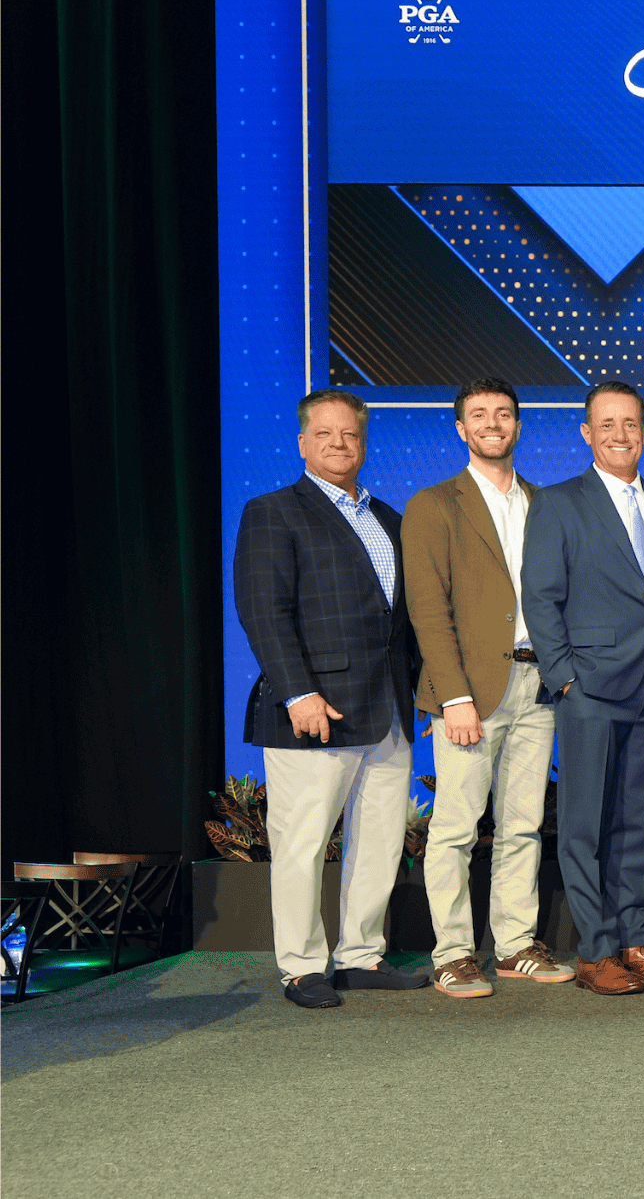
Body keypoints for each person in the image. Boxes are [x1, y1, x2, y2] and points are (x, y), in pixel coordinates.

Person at [232, 389, 427, 1008]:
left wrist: (421, 692)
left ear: (363, 443)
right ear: (302, 442)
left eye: (350, 435)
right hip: (315, 711)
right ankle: (300, 967)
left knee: (380, 839)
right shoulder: (272, 511)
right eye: (325, 434)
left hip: (387, 709)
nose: (339, 444)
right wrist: (299, 693)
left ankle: (361, 955)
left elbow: (404, 620)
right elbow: (263, 611)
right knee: (302, 843)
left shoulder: (388, 518)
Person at [403, 378, 575, 998]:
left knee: (523, 825)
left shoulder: (545, 502)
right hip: (470, 693)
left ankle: (515, 945)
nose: (492, 423)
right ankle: (452, 953)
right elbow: (428, 610)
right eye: (479, 414)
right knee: (455, 829)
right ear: (460, 428)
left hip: (538, 684)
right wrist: (453, 698)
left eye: (503, 414)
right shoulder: (434, 505)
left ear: (519, 426)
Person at [524, 380, 644, 996]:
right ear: (587, 433)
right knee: (585, 825)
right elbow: (540, 597)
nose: (620, 435)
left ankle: (633, 941)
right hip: (590, 687)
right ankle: (595, 950)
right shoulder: (558, 502)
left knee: (638, 822)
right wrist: (564, 677)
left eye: (630, 424)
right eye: (607, 424)